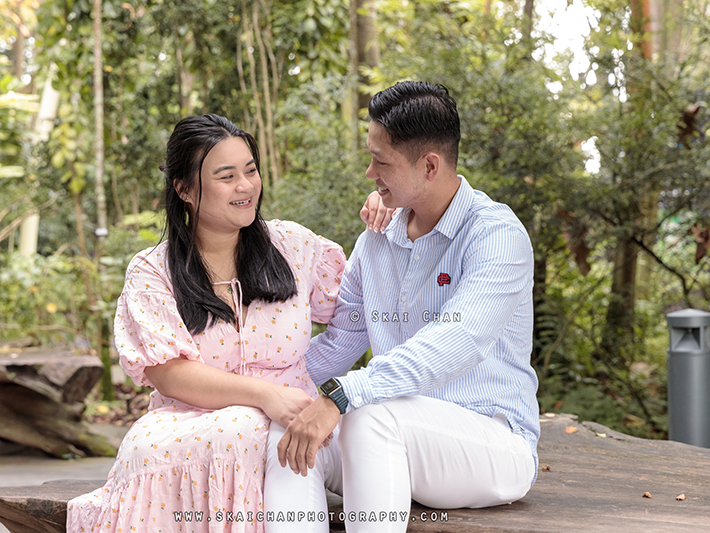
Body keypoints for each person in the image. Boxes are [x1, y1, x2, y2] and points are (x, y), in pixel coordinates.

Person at [66, 114, 390, 533]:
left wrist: (386, 219)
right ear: (184, 189)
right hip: (187, 423)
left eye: (251, 170)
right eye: (227, 176)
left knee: (272, 430)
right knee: (231, 429)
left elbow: (361, 307)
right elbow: (168, 374)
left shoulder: (294, 246)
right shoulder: (152, 271)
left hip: (290, 422)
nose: (245, 186)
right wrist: (265, 394)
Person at [266, 81, 540, 533]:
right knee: (286, 423)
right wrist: (257, 390)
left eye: (382, 161)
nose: (370, 173)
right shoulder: (375, 243)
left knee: (369, 413)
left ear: (429, 165)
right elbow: (340, 342)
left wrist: (342, 395)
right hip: (387, 440)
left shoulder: (496, 236)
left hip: (490, 445)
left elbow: (458, 340)